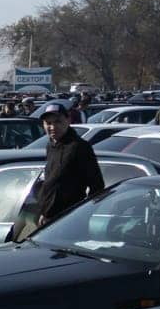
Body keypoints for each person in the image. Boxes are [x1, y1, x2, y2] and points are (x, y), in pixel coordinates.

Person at [10, 101, 104, 242]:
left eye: (58, 122)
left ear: (68, 120)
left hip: (68, 221)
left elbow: (97, 186)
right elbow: (52, 183)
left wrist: (81, 215)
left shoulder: (79, 147)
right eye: (48, 123)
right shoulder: (51, 146)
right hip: (47, 219)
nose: (53, 127)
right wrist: (44, 211)